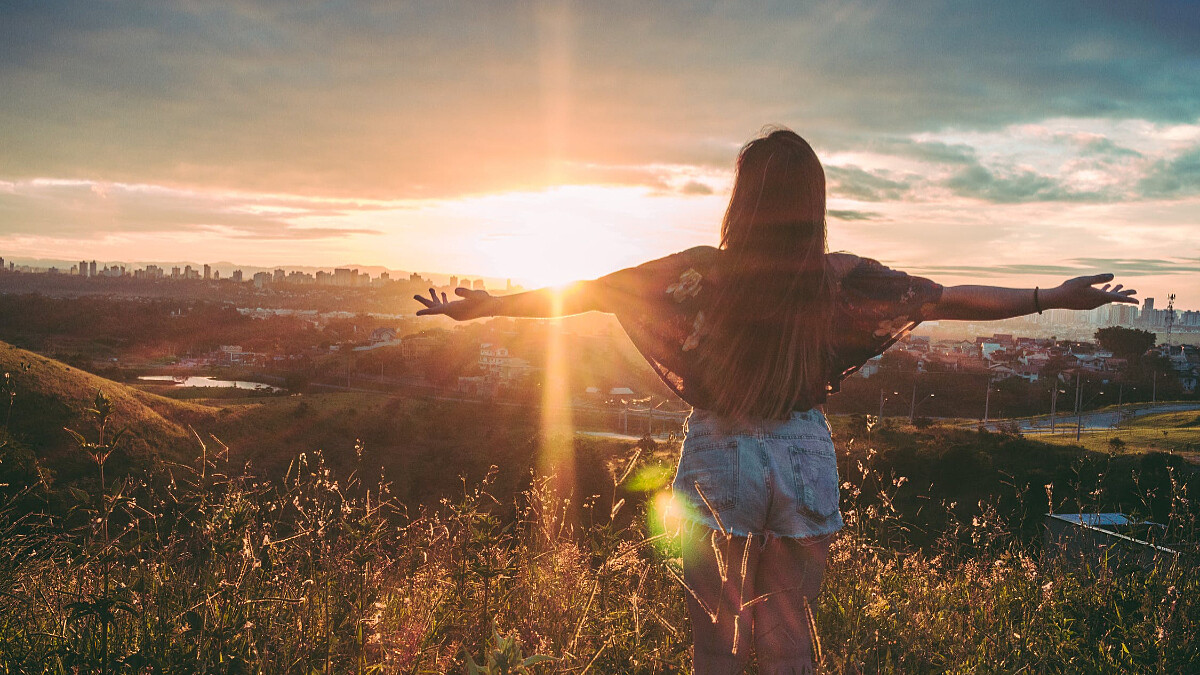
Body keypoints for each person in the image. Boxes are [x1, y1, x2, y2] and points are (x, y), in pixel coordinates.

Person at [413, 128, 1138, 674]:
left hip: (720, 451)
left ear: (742, 200)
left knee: (716, 633)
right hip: (801, 452)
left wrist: (482, 308)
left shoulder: (699, 274)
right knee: (787, 623)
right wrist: (1050, 296)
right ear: (812, 203)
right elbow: (948, 300)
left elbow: (584, 292)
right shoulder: (841, 278)